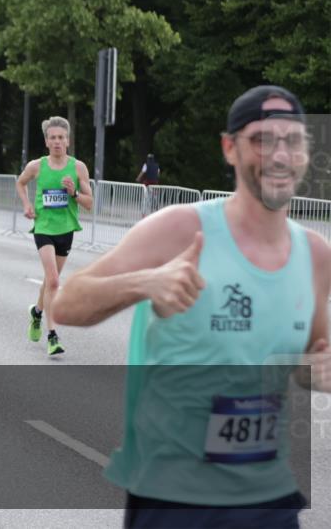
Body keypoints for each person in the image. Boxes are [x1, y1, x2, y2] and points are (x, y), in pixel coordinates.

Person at [54, 85, 330, 528]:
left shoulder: (316, 255)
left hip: (269, 498)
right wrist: (146, 282)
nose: (280, 154)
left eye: (293, 141)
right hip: (175, 498)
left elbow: (309, 360)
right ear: (229, 148)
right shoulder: (182, 227)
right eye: (262, 139)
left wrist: (317, 370)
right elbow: (65, 304)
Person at [15, 116, 94, 356]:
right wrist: (27, 205)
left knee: (51, 281)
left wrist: (73, 193)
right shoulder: (37, 166)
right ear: (47, 142)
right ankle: (52, 336)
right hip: (44, 228)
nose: (57, 142)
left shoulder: (78, 167)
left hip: (66, 229)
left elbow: (89, 203)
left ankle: (37, 313)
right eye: (53, 138)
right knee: (54, 281)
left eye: (61, 138)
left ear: (67, 141)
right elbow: (20, 183)